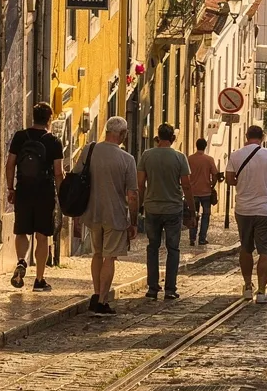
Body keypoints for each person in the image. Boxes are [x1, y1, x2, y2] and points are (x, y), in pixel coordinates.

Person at [81, 116, 139, 316]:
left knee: (97, 254)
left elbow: (76, 177)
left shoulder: (89, 150)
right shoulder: (127, 159)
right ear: (122, 135)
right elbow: (132, 195)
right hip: (115, 215)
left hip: (92, 212)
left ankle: (96, 294)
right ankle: (103, 301)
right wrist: (134, 222)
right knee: (110, 257)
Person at [6, 104, 64, 291]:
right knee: (42, 235)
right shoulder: (54, 142)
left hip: (23, 189)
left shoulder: (20, 136)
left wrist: (10, 188)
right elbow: (58, 172)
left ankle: (22, 261)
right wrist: (61, 193)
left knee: (21, 231)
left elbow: (10, 164)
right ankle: (39, 279)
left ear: (33, 117)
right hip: (44, 192)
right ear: (50, 118)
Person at [226, 124, 267, 304]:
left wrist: (244, 183)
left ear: (246, 136)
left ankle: (246, 287)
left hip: (244, 209)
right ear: (262, 138)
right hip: (266, 210)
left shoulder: (236, 155)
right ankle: (261, 292)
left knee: (245, 249)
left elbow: (230, 179)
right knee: (265, 251)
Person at [137, 124, 190, 300]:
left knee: (152, 247)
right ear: (173, 138)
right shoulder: (180, 157)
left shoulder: (147, 156)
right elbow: (186, 184)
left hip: (152, 207)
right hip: (173, 208)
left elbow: (140, 183)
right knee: (173, 249)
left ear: (158, 137)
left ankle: (152, 288)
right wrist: (192, 208)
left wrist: (139, 205)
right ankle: (170, 289)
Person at [186, 137, 218, 247]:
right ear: (205, 146)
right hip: (206, 193)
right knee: (206, 215)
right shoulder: (209, 159)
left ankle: (192, 238)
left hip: (193, 192)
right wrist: (212, 185)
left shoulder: (189, 159)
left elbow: (185, 175)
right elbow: (215, 175)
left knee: (192, 215)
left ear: (196, 146)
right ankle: (202, 238)